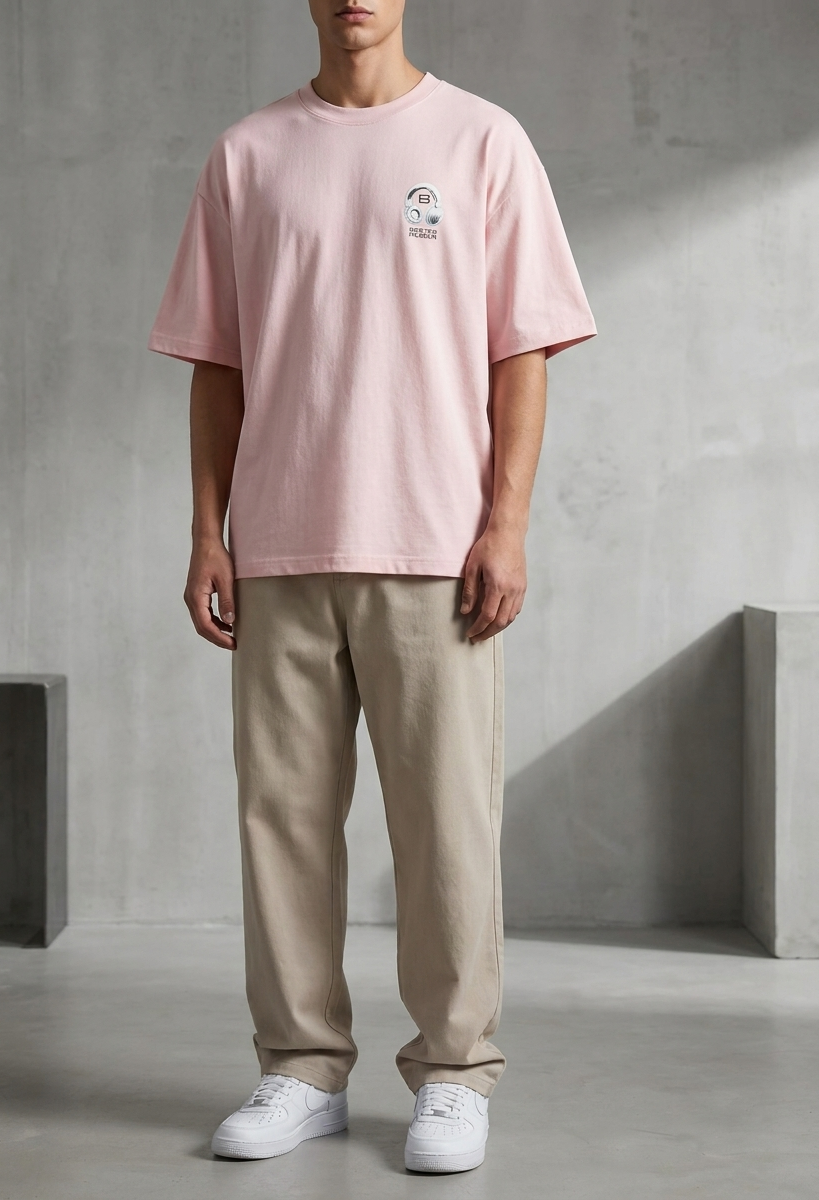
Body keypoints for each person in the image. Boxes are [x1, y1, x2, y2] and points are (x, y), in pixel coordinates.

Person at [148, 0, 595, 1175]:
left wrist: (504, 525)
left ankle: (453, 1072)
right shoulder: (246, 156)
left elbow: (521, 351)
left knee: (446, 824)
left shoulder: (481, 141)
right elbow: (217, 363)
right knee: (282, 824)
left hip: (435, 549)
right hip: (280, 545)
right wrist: (206, 532)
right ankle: (302, 1068)